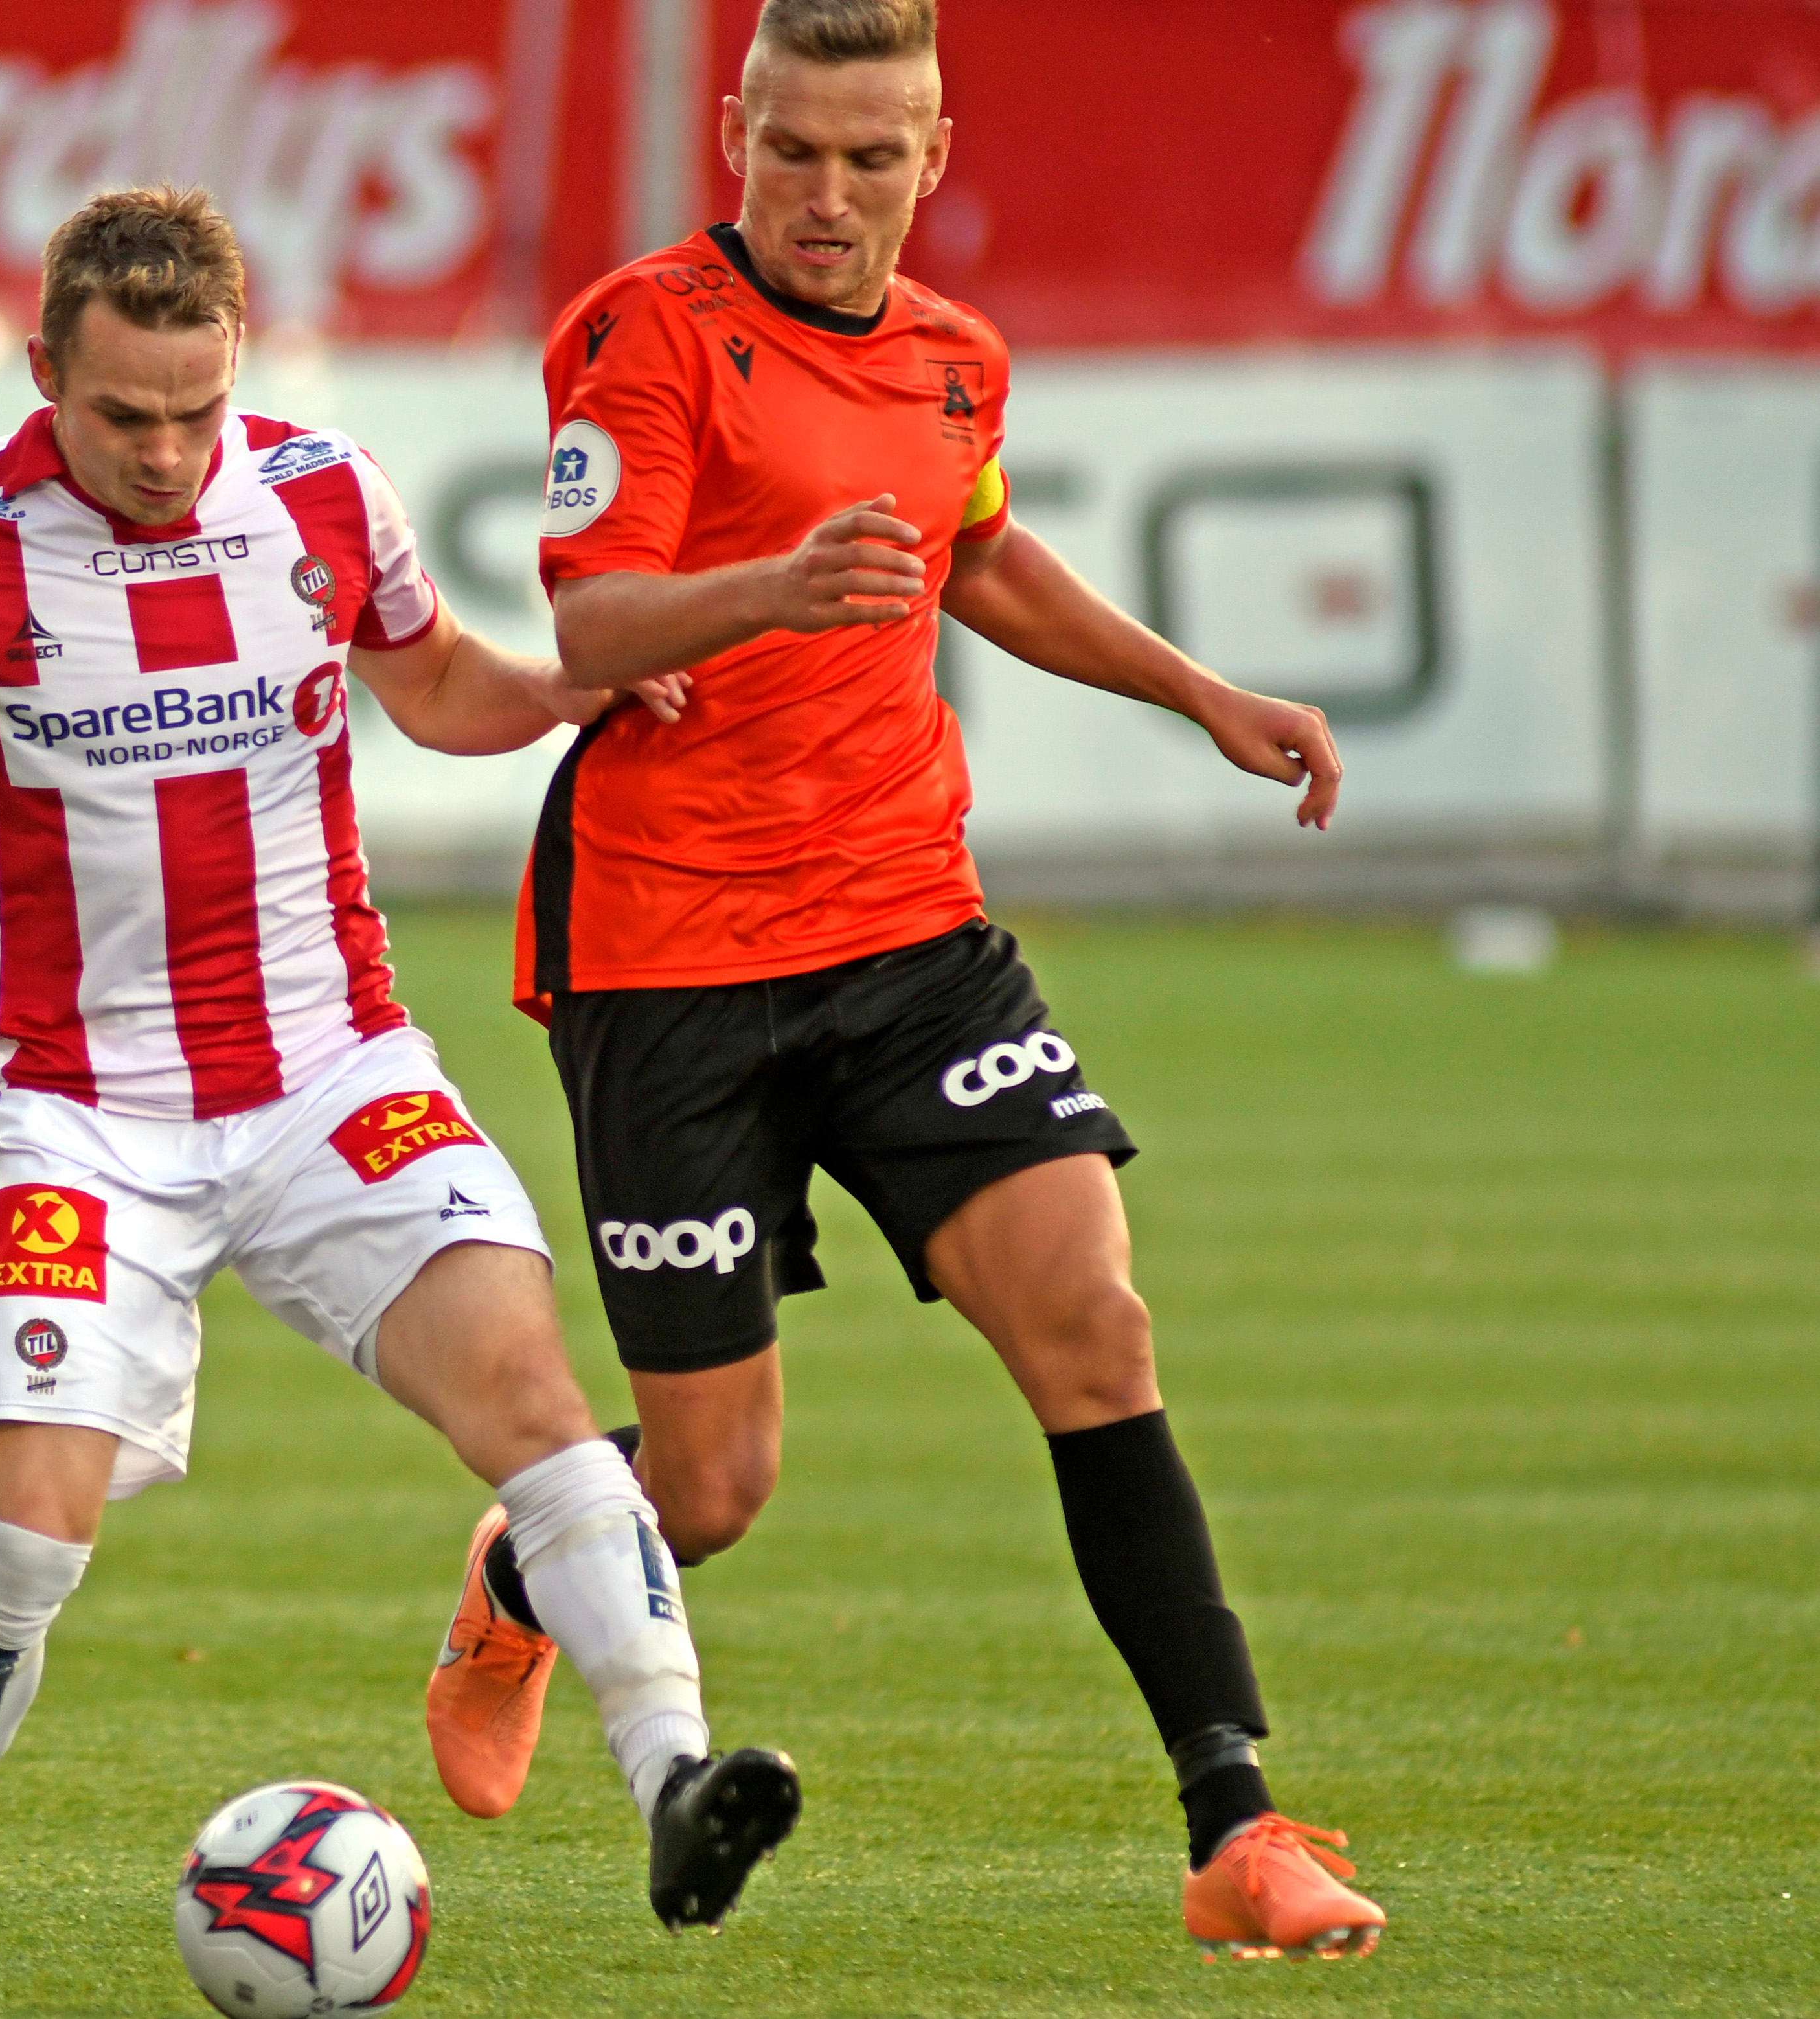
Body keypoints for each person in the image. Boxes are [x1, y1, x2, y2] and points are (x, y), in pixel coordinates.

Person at [0, 188, 800, 2012]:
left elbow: (435, 684)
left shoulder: (323, 493)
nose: (169, 454)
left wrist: (576, 688)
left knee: (537, 1405)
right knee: (27, 1530)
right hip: (87, 1118)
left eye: (198, 409)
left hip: (333, 1074)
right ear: (46, 373)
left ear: (240, 367)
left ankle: (675, 1783)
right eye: (123, 416)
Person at [421, 0, 1387, 1965]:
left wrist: (1201, 693)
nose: (829, 194)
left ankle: (1237, 1825)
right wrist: (778, 587)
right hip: (671, 959)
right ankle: (527, 1579)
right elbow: (597, 620)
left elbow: (981, 558)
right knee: (712, 1491)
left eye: (873, 159)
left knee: (1094, 1327)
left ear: (933, 158)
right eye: (794, 151)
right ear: (735, 129)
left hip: (909, 937)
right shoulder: (647, 331)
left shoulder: (957, 359)